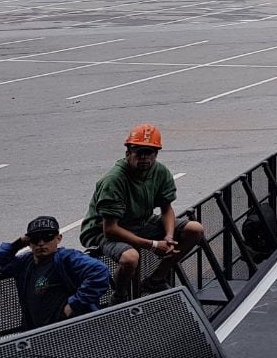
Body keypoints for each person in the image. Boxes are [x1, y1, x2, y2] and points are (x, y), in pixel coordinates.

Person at [79, 124, 205, 299]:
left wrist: (168, 236)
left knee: (195, 229)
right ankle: (120, 295)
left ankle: (155, 280)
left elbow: (166, 208)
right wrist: (153, 245)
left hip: (141, 221)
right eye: (139, 152)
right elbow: (110, 229)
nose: (144, 157)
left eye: (149, 153)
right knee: (130, 258)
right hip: (105, 230)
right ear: (128, 153)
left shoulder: (159, 171)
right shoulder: (114, 180)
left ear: (156, 155)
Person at [0, 216, 111, 328]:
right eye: (35, 239)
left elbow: (99, 271)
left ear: (58, 238)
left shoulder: (67, 258)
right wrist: (17, 244)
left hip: (67, 329)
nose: (41, 243)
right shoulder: (24, 262)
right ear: (28, 242)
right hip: (37, 330)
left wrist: (74, 305)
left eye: (47, 238)